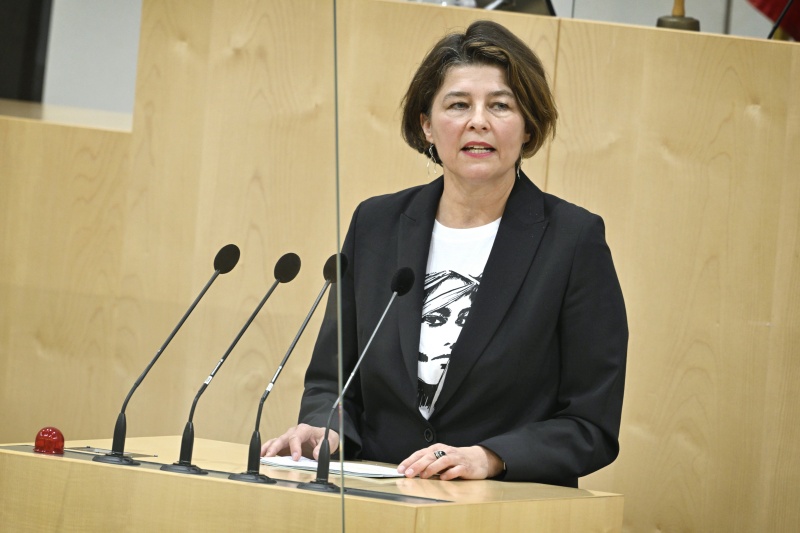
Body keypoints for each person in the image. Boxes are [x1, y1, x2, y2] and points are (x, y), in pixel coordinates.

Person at [262, 19, 627, 487]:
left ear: (528, 127)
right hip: (380, 497)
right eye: (458, 104)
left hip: (503, 506)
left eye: (500, 105)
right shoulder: (377, 225)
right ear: (427, 126)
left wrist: (491, 457)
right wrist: (325, 428)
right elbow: (333, 380)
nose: (479, 121)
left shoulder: (572, 241)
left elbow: (590, 423)